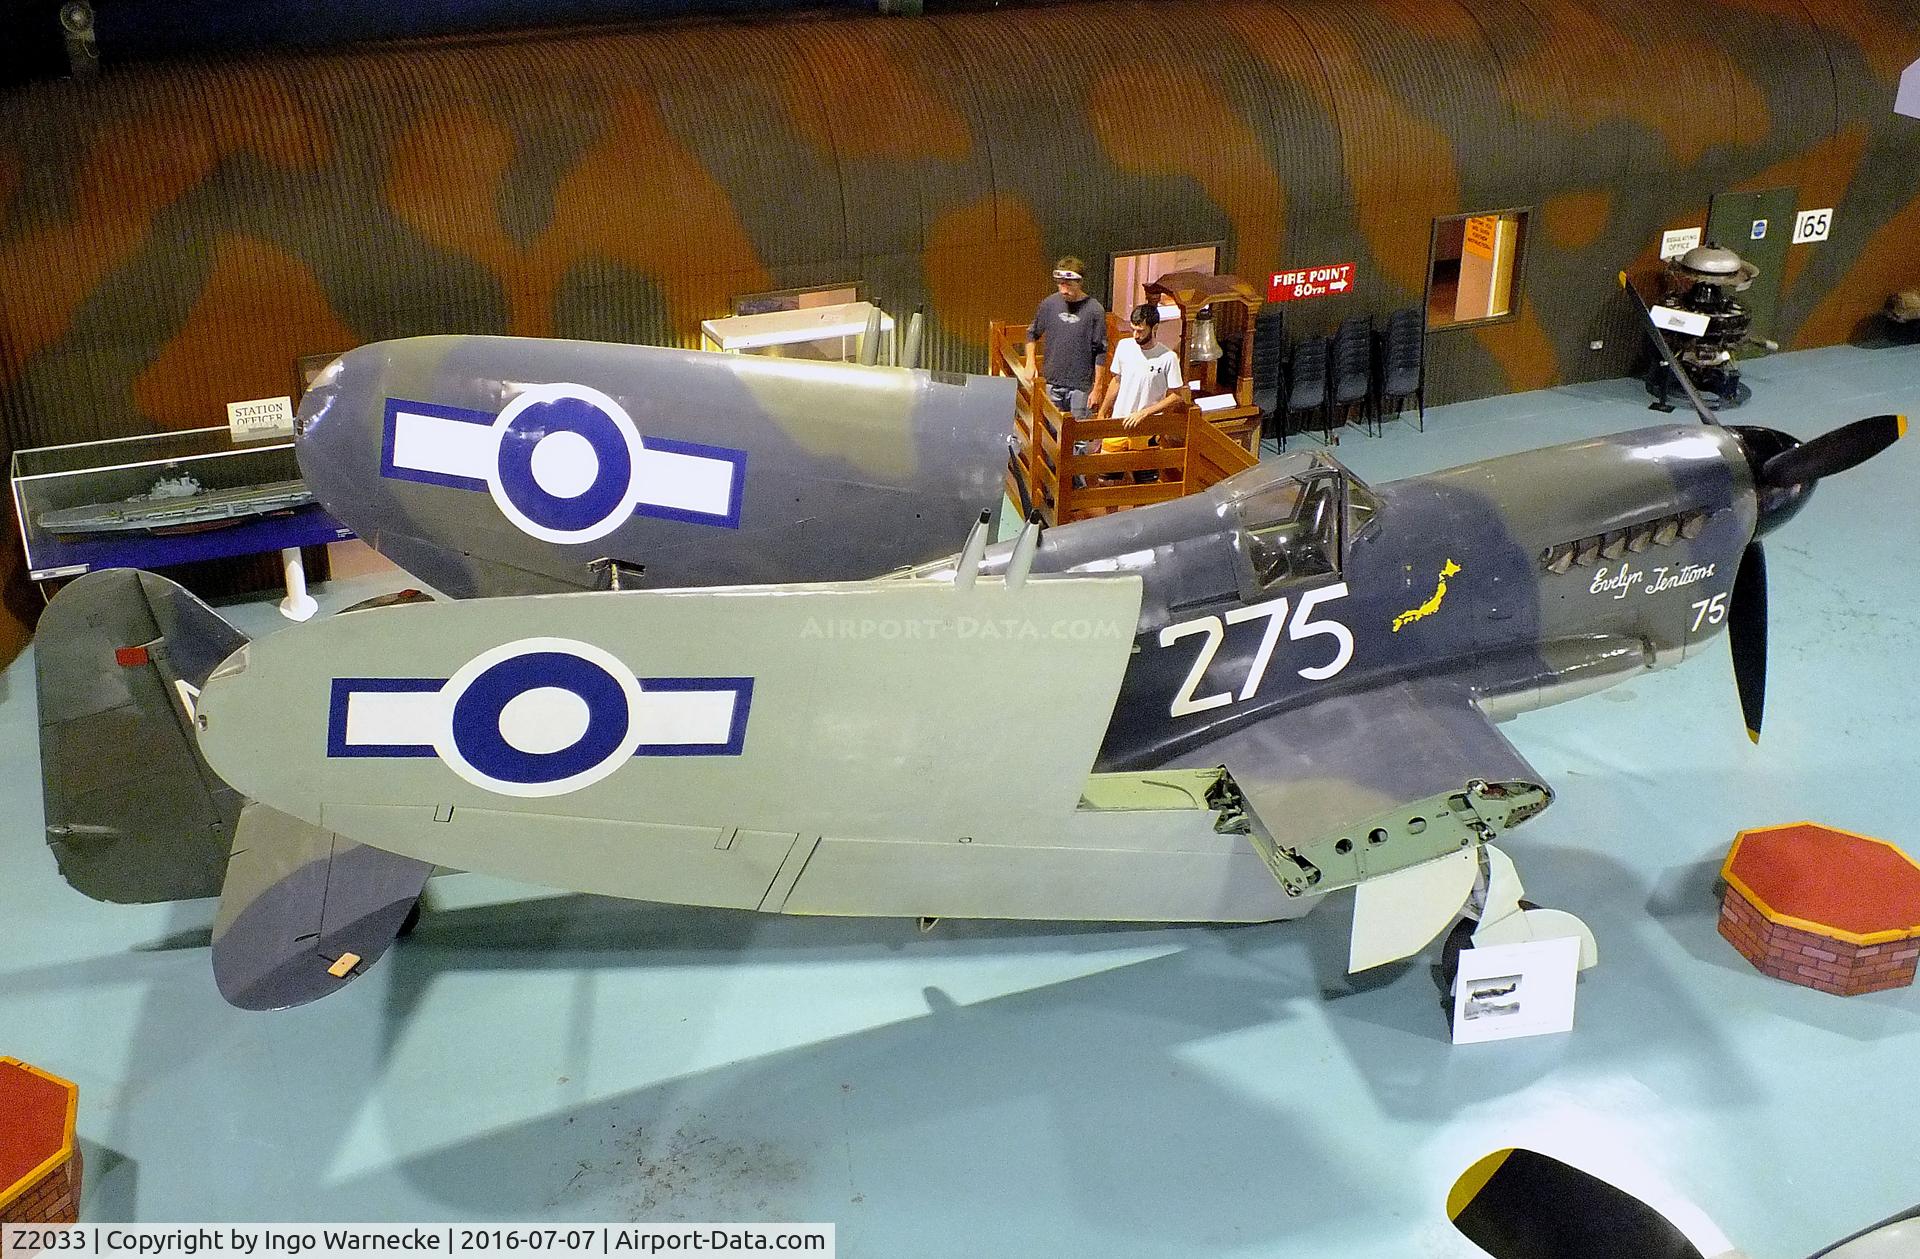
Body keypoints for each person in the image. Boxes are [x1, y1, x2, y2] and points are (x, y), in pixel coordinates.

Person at [1099, 302, 1190, 459]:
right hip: (1119, 421)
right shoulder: (1124, 346)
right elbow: (1116, 381)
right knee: (1107, 475)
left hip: (1148, 427)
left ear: (1154, 328)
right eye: (1133, 330)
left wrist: (1145, 413)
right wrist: (1102, 412)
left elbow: (1176, 395)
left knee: (1145, 476)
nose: (1135, 335)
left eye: (1140, 331)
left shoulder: (1168, 357)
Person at [1026, 257, 1108, 420]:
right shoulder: (1049, 304)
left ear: (1080, 282)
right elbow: (1032, 333)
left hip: (1080, 386)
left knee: (1079, 438)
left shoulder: (1094, 310)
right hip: (1052, 382)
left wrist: (1097, 387)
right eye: (1060, 284)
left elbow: (1100, 351)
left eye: (1068, 284)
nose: (1063, 290)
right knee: (1049, 431)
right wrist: (1030, 362)